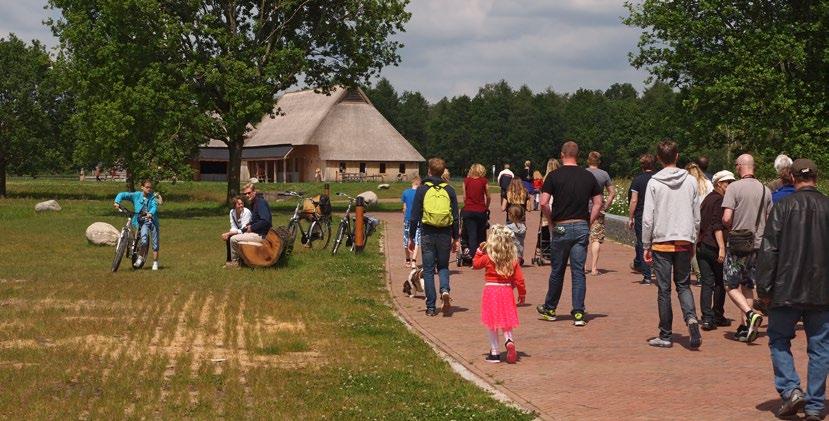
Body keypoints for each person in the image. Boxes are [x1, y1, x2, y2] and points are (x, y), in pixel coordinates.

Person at [756, 159, 829, 421]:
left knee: (778, 340)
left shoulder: (782, 206)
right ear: (816, 178)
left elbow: (769, 249)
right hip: (822, 290)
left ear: (793, 177)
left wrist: (763, 288)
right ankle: (815, 404)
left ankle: (790, 389)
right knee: (820, 347)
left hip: (785, 288)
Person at [642, 139, 702, 349]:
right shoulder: (691, 181)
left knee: (664, 290)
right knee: (684, 285)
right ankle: (692, 319)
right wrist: (693, 238)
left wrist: (646, 244)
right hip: (684, 240)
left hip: (662, 241)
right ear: (677, 156)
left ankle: (665, 335)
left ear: (658, 158)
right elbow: (696, 215)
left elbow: (648, 217)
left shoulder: (654, 182)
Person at [537, 141, 602, 326]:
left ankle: (550, 308)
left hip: (561, 226)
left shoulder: (554, 176)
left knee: (557, 270)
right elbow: (598, 202)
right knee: (578, 271)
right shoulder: (588, 177)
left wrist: (550, 220)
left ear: (562, 154)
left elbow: (543, 202)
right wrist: (589, 220)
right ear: (577, 155)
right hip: (581, 225)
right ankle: (579, 312)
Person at [722, 154, 772, 343]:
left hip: (738, 244)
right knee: (748, 285)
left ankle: (750, 314)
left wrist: (731, 227)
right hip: (757, 244)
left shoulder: (733, 187)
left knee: (730, 284)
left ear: (740, 166)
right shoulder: (765, 190)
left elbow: (727, 218)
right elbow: (769, 219)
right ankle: (746, 327)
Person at [408, 158, 460, 316]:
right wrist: (456, 238)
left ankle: (431, 307)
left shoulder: (422, 189)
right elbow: (456, 217)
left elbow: (414, 216)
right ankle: (445, 290)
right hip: (444, 233)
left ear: (429, 171)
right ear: (443, 171)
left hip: (427, 232)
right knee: (443, 266)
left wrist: (411, 237)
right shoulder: (449, 190)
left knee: (429, 270)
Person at [473, 224, 526, 364]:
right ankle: (509, 339)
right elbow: (519, 279)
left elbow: (476, 264)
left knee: (492, 322)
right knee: (506, 320)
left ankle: (495, 352)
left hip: (491, 290)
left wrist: (479, 250)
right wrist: (522, 294)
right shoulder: (512, 259)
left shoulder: (489, 257)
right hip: (507, 290)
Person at [697, 170, 736, 331]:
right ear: (719, 184)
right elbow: (717, 225)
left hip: (702, 245)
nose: (731, 186)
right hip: (714, 246)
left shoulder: (707, 199)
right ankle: (717, 315)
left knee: (707, 282)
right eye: (728, 183)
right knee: (720, 282)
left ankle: (707, 317)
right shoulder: (720, 200)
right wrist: (721, 247)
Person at [114, 179, 160, 270]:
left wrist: (150, 213)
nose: (149, 189)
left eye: (150, 188)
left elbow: (154, 206)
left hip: (151, 221)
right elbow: (122, 194)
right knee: (143, 239)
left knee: (155, 243)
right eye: (147, 187)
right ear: (142, 187)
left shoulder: (152, 197)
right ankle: (132, 249)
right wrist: (117, 201)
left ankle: (155, 262)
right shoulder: (136, 195)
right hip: (140, 221)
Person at [585, 151, 616, 276]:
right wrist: (605, 206)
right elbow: (612, 193)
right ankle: (593, 268)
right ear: (599, 161)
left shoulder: (583, 173)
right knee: (596, 238)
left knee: (582, 239)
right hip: (598, 210)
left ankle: (582, 267)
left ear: (588, 160)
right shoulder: (604, 174)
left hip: (582, 209)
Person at [227, 183, 272, 268]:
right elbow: (255, 221)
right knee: (235, 235)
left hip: (262, 235)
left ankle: (235, 263)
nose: (247, 195)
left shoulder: (260, 203)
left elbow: (265, 221)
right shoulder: (254, 204)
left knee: (233, 239)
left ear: (254, 192)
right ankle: (242, 261)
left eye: (249, 193)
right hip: (257, 233)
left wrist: (252, 227)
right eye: (245, 194)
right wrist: (246, 227)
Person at [627, 154, 655, 284]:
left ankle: (647, 275)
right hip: (656, 215)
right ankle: (657, 269)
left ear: (642, 166)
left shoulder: (637, 180)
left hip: (641, 215)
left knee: (642, 243)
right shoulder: (657, 179)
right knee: (656, 242)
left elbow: (634, 200)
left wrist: (630, 217)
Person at [686, 162, 714, 285]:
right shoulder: (708, 183)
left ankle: (699, 275)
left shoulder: (687, 184)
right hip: (706, 217)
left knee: (692, 246)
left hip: (691, 218)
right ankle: (707, 272)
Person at [462, 164, 490, 261]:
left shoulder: (466, 181)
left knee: (471, 234)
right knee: (481, 234)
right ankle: (482, 255)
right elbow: (488, 196)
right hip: (481, 210)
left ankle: (473, 257)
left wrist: (467, 205)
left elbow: (464, 197)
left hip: (469, 210)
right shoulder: (484, 181)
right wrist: (486, 206)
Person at [221, 196, 252, 264]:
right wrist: (230, 233)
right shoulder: (232, 212)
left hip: (248, 232)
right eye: (239, 204)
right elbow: (233, 226)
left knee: (231, 236)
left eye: (242, 203)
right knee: (229, 238)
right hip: (240, 231)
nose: (241, 205)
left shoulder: (246, 212)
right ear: (234, 205)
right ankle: (229, 260)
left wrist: (229, 233)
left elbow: (244, 229)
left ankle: (237, 260)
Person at [401, 177, 422, 267]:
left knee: (406, 238)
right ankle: (414, 260)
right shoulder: (420, 193)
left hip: (408, 218)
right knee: (417, 239)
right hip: (417, 219)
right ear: (419, 184)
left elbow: (404, 208)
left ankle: (407, 260)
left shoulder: (405, 192)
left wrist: (405, 217)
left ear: (412, 183)